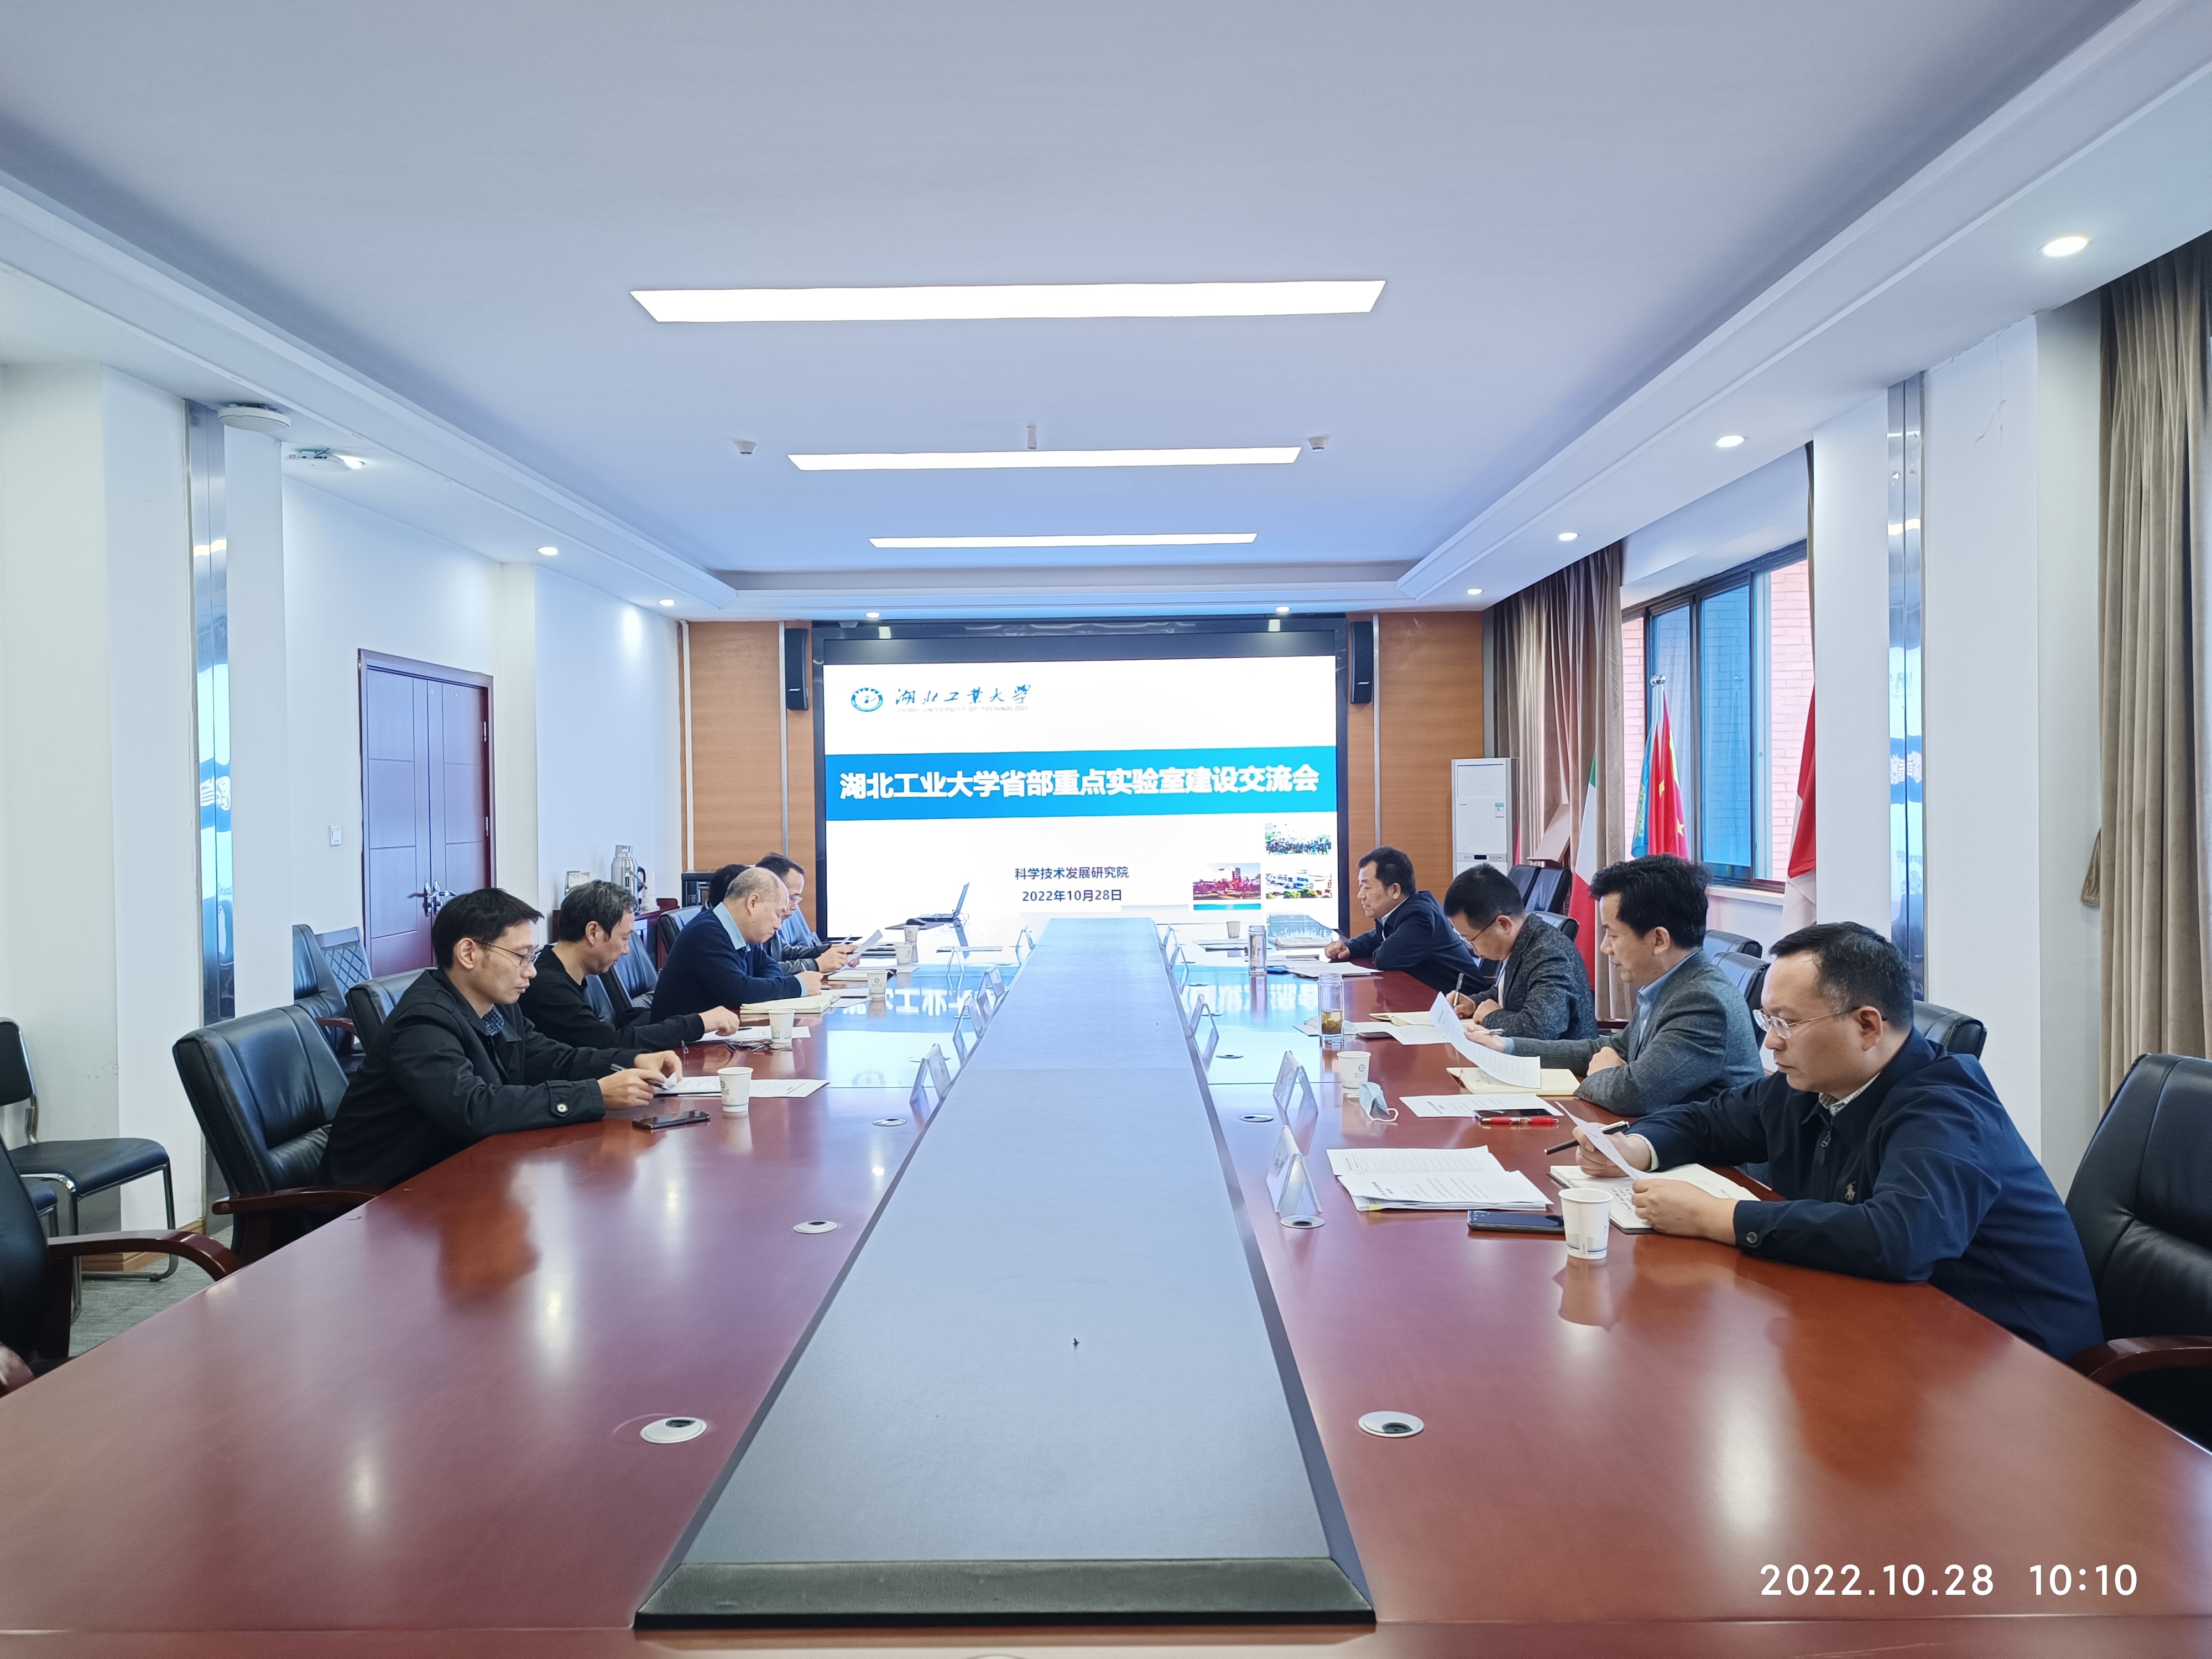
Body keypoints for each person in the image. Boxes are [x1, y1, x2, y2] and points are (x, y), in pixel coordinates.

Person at [1574, 922, 2101, 1360]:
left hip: (2014, 1362)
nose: (1770, 1041)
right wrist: (1636, 1146)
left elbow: (1899, 1237)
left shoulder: (1945, 1108)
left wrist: (1718, 1217)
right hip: (1887, 1325)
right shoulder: (1812, 1081)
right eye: (1767, 1019)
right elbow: (1710, 1121)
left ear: (1868, 1026)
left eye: (1787, 1022)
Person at [325, 888, 680, 1188]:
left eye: (532, 956)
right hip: (384, 1200)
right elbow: (475, 1108)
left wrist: (631, 1060)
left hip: (459, 1175)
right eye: (521, 957)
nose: (532, 971)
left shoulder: (498, 1005)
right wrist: (595, 1094)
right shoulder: (423, 1023)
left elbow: (551, 1058)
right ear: (468, 953)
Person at [1469, 853, 1760, 1114]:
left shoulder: (1702, 1003)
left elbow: (1633, 1094)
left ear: (1659, 940)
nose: (1605, 948)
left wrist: (1604, 1073)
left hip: (1708, 1157)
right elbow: (1610, 1048)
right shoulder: (1672, 984)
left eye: (1614, 935)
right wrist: (1507, 1047)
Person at [521, 880, 742, 1050]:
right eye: (625, 938)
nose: (627, 950)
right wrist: (697, 1023)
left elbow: (621, 1026)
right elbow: (609, 1044)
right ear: (593, 932)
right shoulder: (548, 988)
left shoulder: (573, 972)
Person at [1440, 862, 1596, 1041]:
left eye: (1471, 939)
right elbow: (1508, 994)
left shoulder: (1550, 955)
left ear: (1503, 924)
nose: (1472, 949)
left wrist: (1491, 1017)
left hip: (1560, 1059)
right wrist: (1473, 1003)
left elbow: (1539, 1030)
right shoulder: (1522, 939)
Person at [653, 865, 823, 1020]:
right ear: (753, 903)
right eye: (777, 914)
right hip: (682, 1041)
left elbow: (770, 966)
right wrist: (798, 985)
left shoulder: (740, 932)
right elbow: (738, 993)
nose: (779, 925)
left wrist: (764, 988)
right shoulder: (708, 933)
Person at [1321, 846, 1485, 995]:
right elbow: (1377, 938)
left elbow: (1385, 959)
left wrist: (1374, 948)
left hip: (1467, 1005)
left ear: (1394, 890)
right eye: (1361, 887)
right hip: (1434, 999)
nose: (1361, 895)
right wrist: (1348, 948)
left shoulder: (1421, 917)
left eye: (1367, 887)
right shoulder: (1404, 910)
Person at [755, 852, 851, 973]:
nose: (795, 907)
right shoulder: (752, 929)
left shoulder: (772, 925)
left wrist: (829, 949)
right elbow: (761, 971)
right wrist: (816, 965)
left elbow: (786, 953)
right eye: (792, 898)